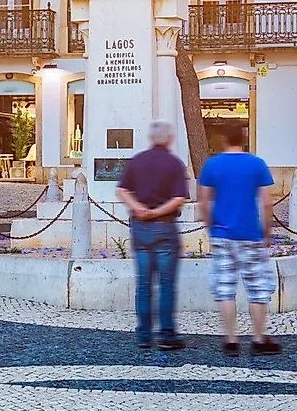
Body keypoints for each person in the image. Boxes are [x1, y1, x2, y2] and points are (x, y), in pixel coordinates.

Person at [198, 121, 280, 358]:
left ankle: (231, 338)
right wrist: (267, 231)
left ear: (224, 139)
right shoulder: (257, 164)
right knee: (257, 289)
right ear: (243, 139)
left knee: (225, 287)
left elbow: (204, 201)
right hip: (251, 234)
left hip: (222, 234)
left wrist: (210, 227)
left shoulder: (212, 165)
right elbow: (266, 203)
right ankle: (257, 337)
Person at [118, 122, 191, 351]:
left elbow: (121, 190)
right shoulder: (175, 164)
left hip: (140, 229)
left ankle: (144, 334)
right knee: (166, 284)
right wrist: (157, 212)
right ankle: (167, 334)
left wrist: (138, 208)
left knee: (143, 283)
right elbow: (179, 197)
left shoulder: (137, 160)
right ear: (169, 138)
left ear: (150, 137)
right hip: (164, 227)